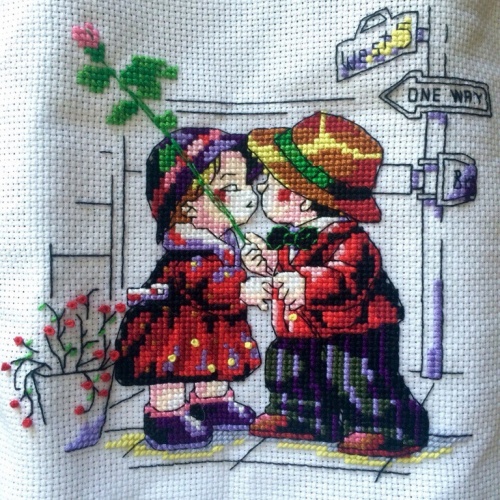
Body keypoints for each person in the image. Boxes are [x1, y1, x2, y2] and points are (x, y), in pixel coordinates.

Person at [242, 112, 429, 457]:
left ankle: (389, 426)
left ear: (301, 197)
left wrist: (305, 283)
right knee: (288, 365)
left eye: (270, 180)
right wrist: (265, 263)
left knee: (357, 377)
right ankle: (302, 414)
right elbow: (287, 267)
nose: (261, 186)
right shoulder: (295, 237)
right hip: (303, 330)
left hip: (356, 332)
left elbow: (345, 278)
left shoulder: (351, 239)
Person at [114, 128, 263, 451]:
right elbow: (206, 285)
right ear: (188, 206)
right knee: (171, 368)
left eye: (247, 184)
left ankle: (212, 402)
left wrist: (250, 264)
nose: (250, 196)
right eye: (230, 188)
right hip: (175, 326)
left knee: (215, 358)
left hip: (212, 325)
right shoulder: (190, 249)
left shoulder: (224, 242)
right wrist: (242, 290)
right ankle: (166, 416)